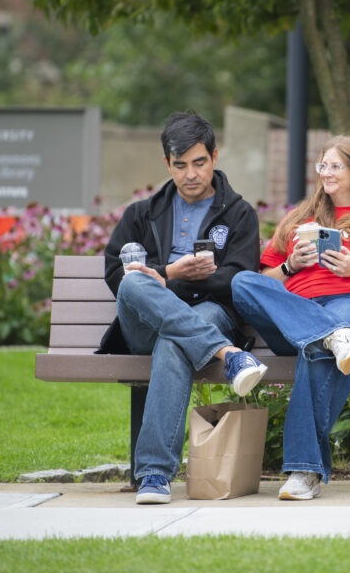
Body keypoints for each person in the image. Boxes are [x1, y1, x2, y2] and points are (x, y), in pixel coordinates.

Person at [231, 135, 350, 500]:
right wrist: (290, 265)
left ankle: (304, 471)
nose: (327, 173)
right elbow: (264, 284)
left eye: (336, 166)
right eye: (323, 166)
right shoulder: (299, 220)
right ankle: (329, 335)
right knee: (242, 282)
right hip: (299, 316)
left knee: (318, 349)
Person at [99, 111, 265, 505]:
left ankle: (155, 476)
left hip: (210, 313)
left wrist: (186, 281)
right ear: (166, 164)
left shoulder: (240, 214)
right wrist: (171, 272)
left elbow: (238, 277)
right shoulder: (140, 214)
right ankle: (230, 355)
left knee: (174, 342)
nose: (191, 173)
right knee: (136, 281)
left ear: (214, 156)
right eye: (180, 165)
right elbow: (115, 275)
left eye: (199, 162)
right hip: (143, 322)